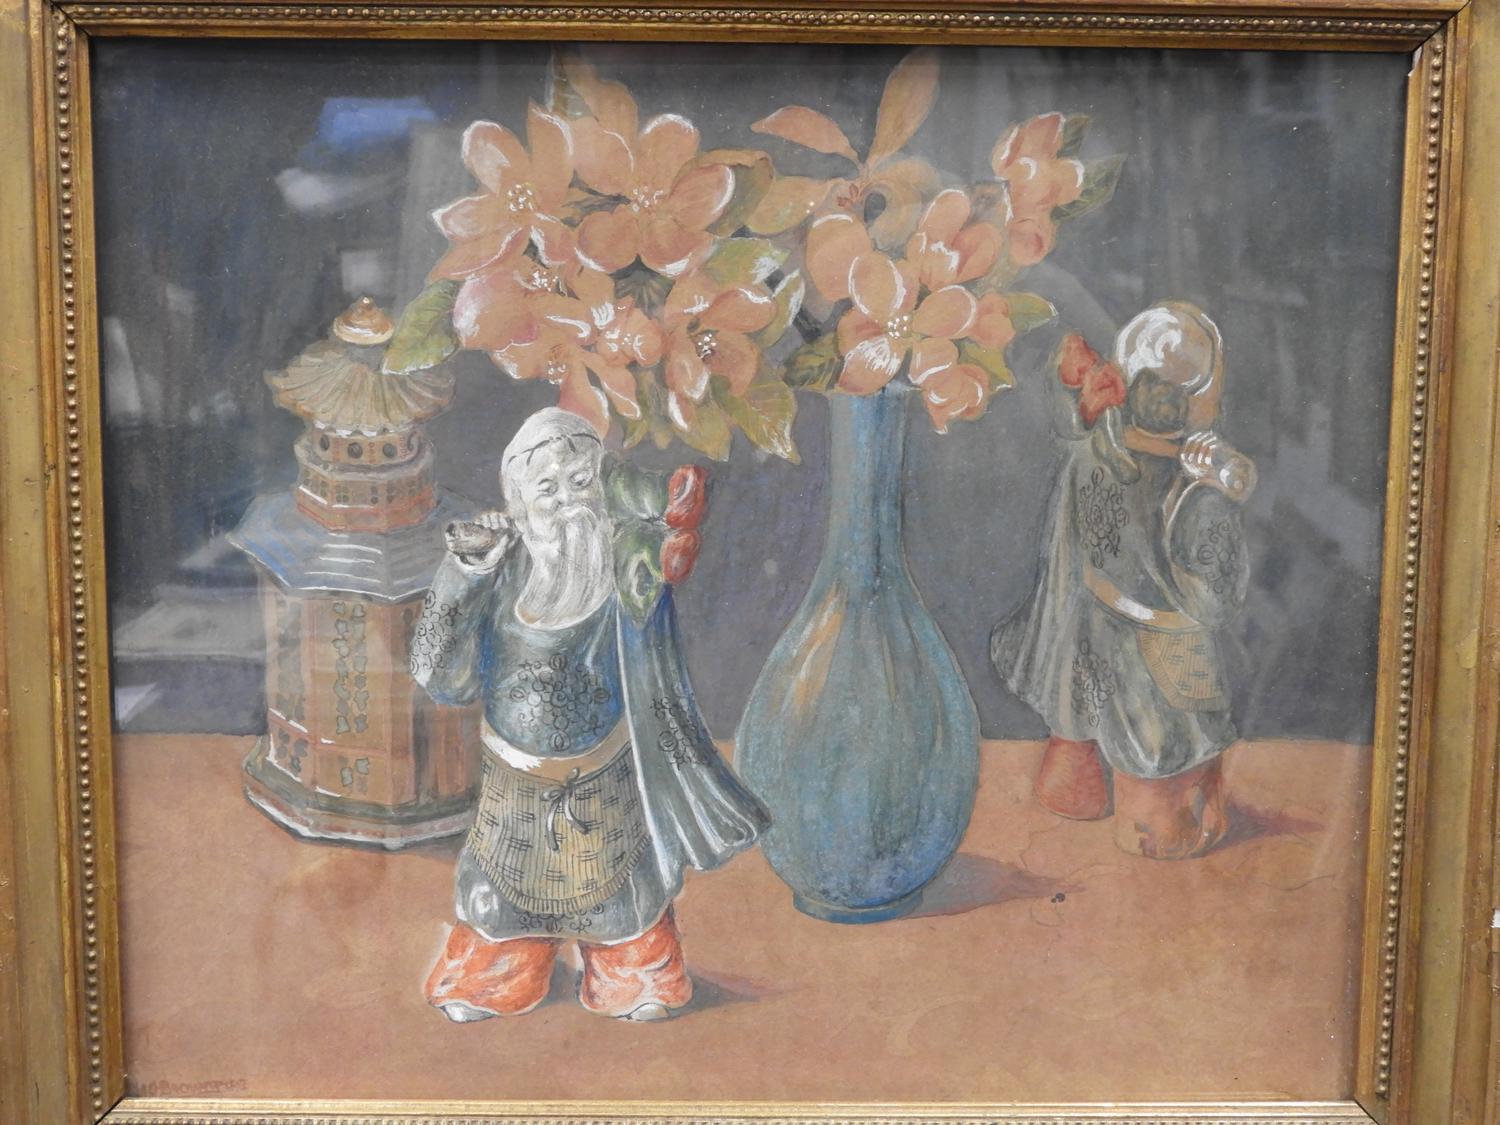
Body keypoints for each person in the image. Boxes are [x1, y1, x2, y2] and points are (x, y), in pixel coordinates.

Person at [410, 407, 769, 1022]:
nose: (568, 501)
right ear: (519, 504)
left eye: (581, 481)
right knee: (502, 900)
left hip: (608, 780)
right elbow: (438, 675)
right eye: (546, 488)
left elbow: (661, 558)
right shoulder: (501, 569)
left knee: (622, 900)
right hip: (513, 791)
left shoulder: (625, 567)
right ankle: (503, 971)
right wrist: (468, 569)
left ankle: (632, 974)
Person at [991, 302, 1256, 859]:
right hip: (1159, 682)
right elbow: (1216, 600)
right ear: (1191, 400)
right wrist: (1220, 494)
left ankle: (1084, 781)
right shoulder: (1193, 490)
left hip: (1078, 656)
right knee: (1170, 835)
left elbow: (1070, 423)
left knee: (1073, 790)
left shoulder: (1090, 453)